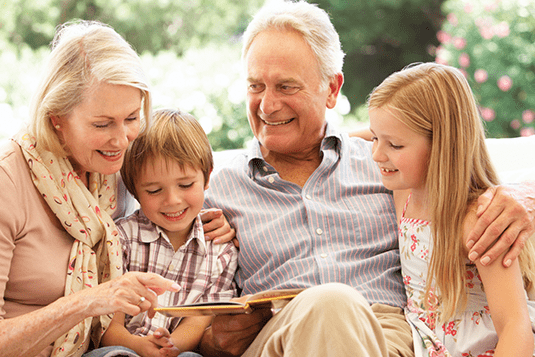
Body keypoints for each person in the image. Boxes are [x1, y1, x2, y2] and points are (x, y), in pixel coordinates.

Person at [198, 1, 535, 356]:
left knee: (336, 307)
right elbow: (179, 305)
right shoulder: (213, 191)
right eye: (255, 86)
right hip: (278, 337)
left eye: (285, 87)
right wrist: (210, 340)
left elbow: (455, 159)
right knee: (330, 303)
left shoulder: (390, 168)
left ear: (331, 89)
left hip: (386, 335)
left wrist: (522, 196)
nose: (266, 105)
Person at [0, 21, 232, 357]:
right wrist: (89, 301)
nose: (121, 139)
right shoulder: (9, 181)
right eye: (102, 123)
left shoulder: (115, 171)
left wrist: (214, 222)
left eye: (132, 118)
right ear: (56, 118)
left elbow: (174, 189)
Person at [367, 62, 535, 356]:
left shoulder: (477, 221)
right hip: (426, 343)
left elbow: (514, 324)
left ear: (442, 146)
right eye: (374, 138)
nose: (377, 154)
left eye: (394, 145)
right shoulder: (404, 192)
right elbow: (341, 136)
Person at [96, 109, 239, 357]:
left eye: (185, 185)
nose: (172, 201)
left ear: (207, 177)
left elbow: (199, 320)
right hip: (122, 345)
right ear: (133, 190)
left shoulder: (221, 251)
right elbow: (108, 324)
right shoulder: (122, 238)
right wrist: (140, 347)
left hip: (177, 350)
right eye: (153, 190)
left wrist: (169, 347)